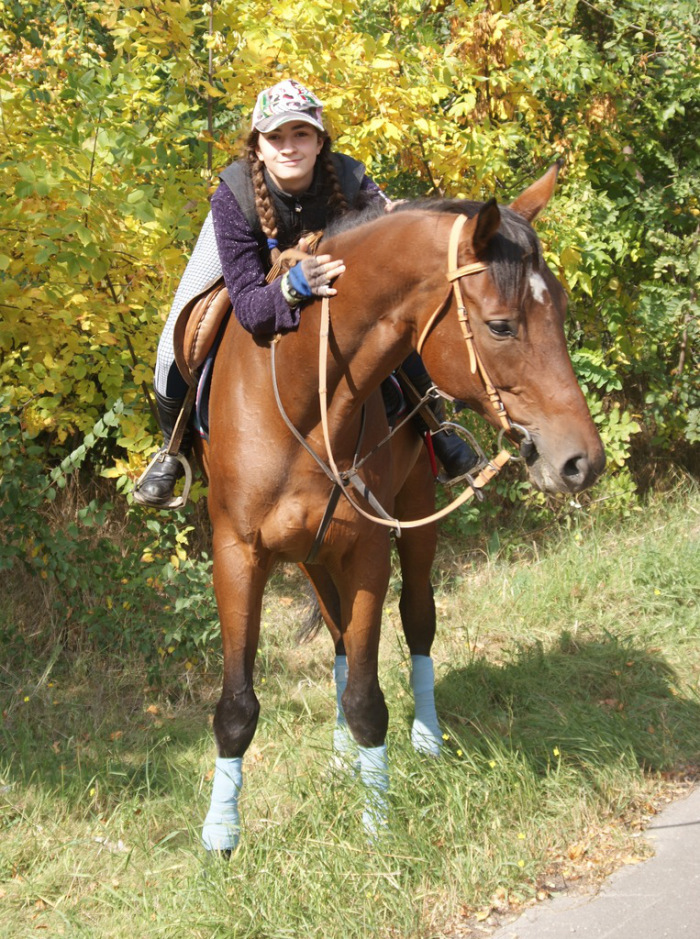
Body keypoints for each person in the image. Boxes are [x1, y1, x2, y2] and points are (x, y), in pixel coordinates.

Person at [134, 79, 479, 507]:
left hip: (325, 268)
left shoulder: (351, 179)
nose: (288, 147)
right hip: (249, 263)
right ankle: (173, 450)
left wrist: (404, 221)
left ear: (320, 142)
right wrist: (292, 288)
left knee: (395, 319)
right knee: (175, 342)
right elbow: (250, 310)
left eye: (301, 134)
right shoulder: (232, 194)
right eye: (275, 137)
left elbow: (391, 249)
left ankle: (436, 427)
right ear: (258, 148)